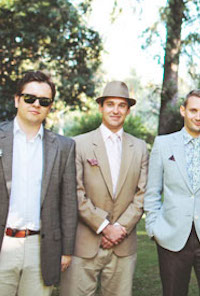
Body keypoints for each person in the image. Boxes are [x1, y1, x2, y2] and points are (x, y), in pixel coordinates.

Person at [0, 70, 77, 295]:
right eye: (29, 98)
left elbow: (69, 202)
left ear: (50, 106)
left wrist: (66, 249)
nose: (36, 104)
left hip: (41, 249)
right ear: (17, 100)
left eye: (44, 101)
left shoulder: (64, 147)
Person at [60, 81, 149, 296]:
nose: (115, 110)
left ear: (128, 110)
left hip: (123, 246)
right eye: (110, 104)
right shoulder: (78, 144)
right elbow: (75, 192)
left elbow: (143, 194)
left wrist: (120, 228)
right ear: (101, 107)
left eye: (121, 105)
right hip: (84, 244)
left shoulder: (139, 147)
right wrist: (104, 226)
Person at [145, 89, 200, 296]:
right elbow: (152, 191)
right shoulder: (163, 145)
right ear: (183, 111)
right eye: (193, 110)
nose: (198, 116)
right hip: (171, 236)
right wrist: (153, 228)